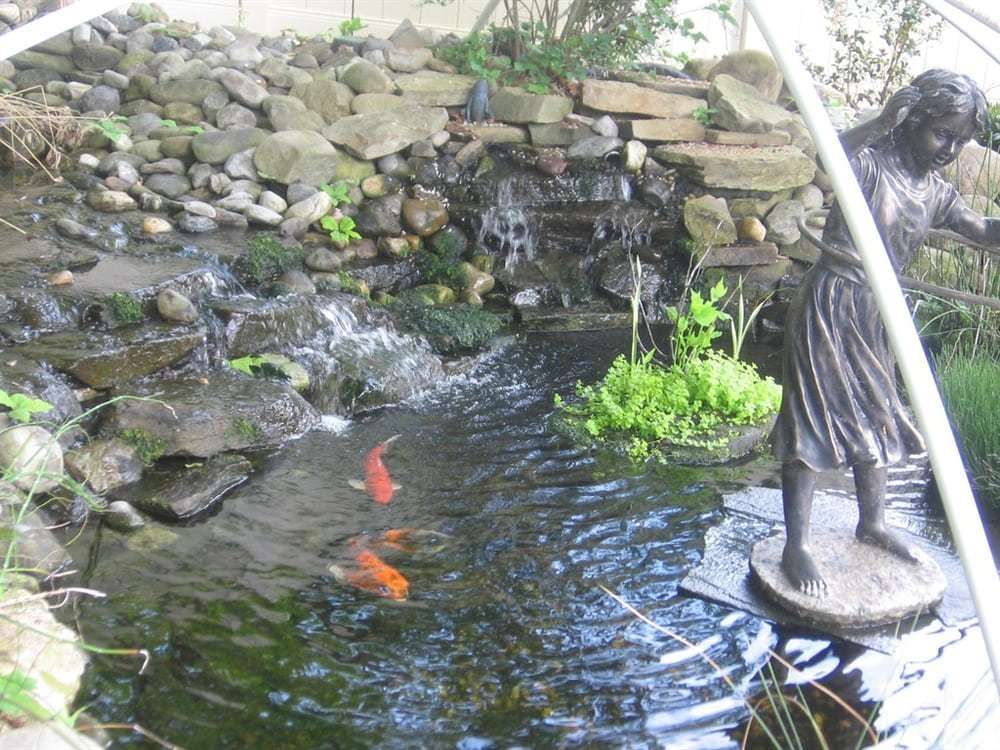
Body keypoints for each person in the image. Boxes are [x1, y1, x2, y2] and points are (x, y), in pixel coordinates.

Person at [772, 69, 1000, 597]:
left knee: (876, 414)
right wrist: (877, 121)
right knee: (815, 413)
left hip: (879, 313)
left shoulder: (936, 193)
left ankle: (871, 522)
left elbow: (983, 231)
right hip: (832, 301)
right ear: (911, 119)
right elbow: (830, 155)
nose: (950, 149)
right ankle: (796, 543)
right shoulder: (870, 165)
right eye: (943, 133)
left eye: (961, 140)